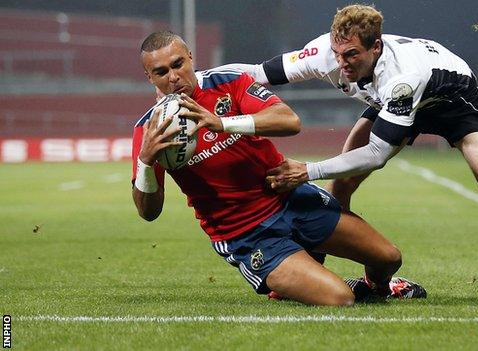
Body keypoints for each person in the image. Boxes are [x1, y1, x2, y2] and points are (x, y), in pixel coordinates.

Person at [131, 30, 425, 306]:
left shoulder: (227, 82)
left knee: (388, 258)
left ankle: (377, 287)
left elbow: (289, 121)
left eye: (178, 64)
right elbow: (148, 212)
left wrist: (222, 123)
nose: (173, 77)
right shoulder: (149, 130)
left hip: (291, 198)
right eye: (161, 72)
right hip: (246, 232)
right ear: (149, 77)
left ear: (191, 58)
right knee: (339, 298)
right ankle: (290, 281)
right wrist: (146, 162)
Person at [222, 4, 478, 209]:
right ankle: (322, 264)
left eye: (352, 55)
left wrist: (308, 170)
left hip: (450, 99)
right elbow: (255, 74)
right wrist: (198, 79)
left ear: (376, 47)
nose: (341, 63)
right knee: (341, 186)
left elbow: (377, 154)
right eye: (338, 52)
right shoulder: (324, 53)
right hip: (392, 102)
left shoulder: (401, 77)